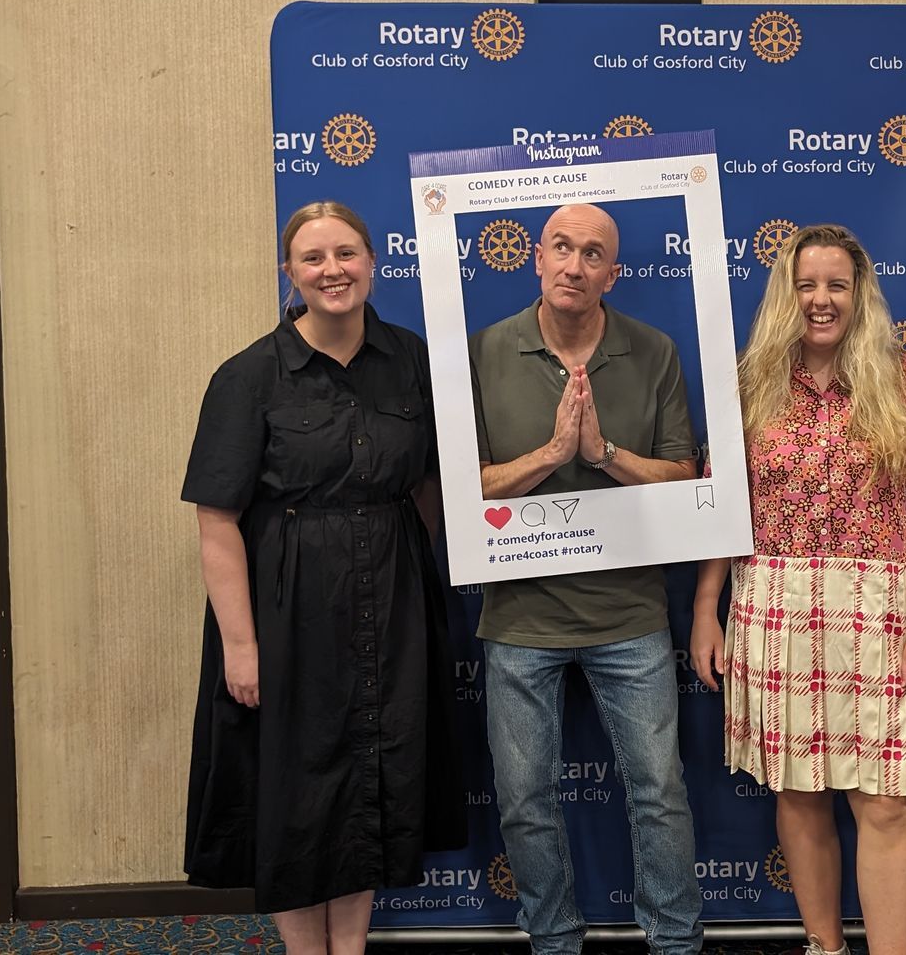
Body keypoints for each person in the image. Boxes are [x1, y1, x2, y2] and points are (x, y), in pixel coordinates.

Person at [181, 201, 463, 955]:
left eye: (346, 254)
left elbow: (432, 488)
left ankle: (353, 947)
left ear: (374, 262)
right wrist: (242, 648)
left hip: (394, 600)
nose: (332, 270)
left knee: (373, 771)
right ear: (290, 275)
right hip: (287, 609)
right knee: (299, 788)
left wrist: (409, 566)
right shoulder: (247, 376)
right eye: (313, 259)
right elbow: (216, 522)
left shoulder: (413, 360)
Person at [688, 223, 906, 955]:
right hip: (770, 604)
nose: (820, 299)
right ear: (786, 292)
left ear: (859, 294)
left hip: (879, 612)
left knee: (884, 804)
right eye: (805, 284)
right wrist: (704, 611)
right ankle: (824, 946)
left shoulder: (905, 380)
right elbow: (721, 512)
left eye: (836, 285)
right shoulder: (748, 384)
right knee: (799, 792)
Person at [468, 203, 704, 955]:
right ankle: (553, 941)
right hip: (519, 617)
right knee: (525, 801)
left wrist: (602, 454)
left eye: (593, 253)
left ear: (613, 272)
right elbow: (460, 487)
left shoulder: (654, 350)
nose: (574, 265)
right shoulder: (483, 351)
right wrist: (550, 453)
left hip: (629, 612)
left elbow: (682, 476)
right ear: (536, 258)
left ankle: (675, 941)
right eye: (562, 248)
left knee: (659, 793)